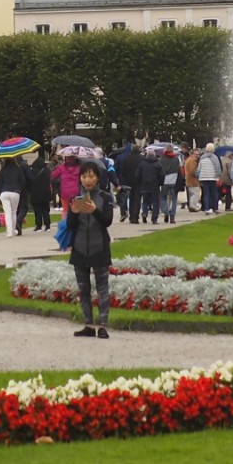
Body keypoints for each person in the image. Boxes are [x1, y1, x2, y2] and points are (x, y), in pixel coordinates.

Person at [67, 163, 116, 339]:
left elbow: (107, 221)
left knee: (102, 288)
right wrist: (72, 213)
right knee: (83, 289)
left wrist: (95, 211)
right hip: (79, 248)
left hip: (99, 248)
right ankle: (88, 324)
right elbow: (71, 226)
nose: (87, 180)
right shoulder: (76, 198)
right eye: (84, 176)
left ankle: (102, 325)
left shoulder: (105, 197)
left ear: (97, 178)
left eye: (91, 176)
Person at [0, 152, 28, 236]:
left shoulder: (2, 170)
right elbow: (23, 181)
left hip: (4, 192)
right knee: (14, 212)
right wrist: (19, 189)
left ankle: (9, 231)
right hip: (15, 192)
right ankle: (13, 230)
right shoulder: (18, 169)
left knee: (7, 212)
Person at [113, 142, 142, 222]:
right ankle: (135, 216)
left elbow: (120, 169)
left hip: (125, 180)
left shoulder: (122, 158)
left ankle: (125, 212)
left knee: (125, 198)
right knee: (136, 199)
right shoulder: (141, 158)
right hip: (137, 181)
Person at [136, 145, 164, 223]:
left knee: (145, 201)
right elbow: (161, 175)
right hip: (155, 185)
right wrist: (160, 183)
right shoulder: (158, 164)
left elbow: (137, 175)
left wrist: (139, 183)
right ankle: (154, 218)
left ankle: (144, 213)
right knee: (155, 202)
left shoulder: (142, 164)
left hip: (144, 185)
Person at [26, 154, 53, 232]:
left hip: (35, 193)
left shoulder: (32, 171)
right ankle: (47, 226)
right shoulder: (47, 171)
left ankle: (38, 226)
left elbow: (29, 182)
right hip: (46, 193)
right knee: (46, 210)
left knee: (37, 211)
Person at [157, 147, 181, 223]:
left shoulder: (161, 159)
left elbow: (159, 170)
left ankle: (165, 211)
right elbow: (179, 170)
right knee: (174, 199)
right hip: (174, 180)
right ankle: (172, 216)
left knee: (163, 198)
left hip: (164, 181)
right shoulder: (176, 158)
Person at [196, 143, 222, 213]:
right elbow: (218, 168)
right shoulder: (215, 157)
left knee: (206, 194)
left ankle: (207, 208)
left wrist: (198, 176)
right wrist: (218, 176)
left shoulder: (202, 157)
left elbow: (198, 169)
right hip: (213, 177)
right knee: (214, 193)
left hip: (204, 178)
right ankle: (215, 208)